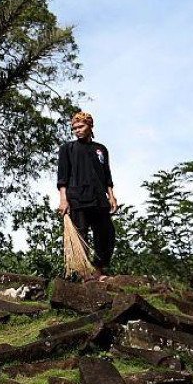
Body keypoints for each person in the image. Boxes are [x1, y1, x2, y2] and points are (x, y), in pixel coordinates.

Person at [57, 111, 118, 275]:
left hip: (99, 198)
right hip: (77, 198)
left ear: (90, 126)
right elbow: (62, 177)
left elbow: (106, 175)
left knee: (106, 233)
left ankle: (99, 269)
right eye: (74, 128)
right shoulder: (67, 149)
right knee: (80, 235)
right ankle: (84, 273)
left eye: (81, 126)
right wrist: (63, 200)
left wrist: (111, 196)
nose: (77, 130)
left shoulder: (101, 149)